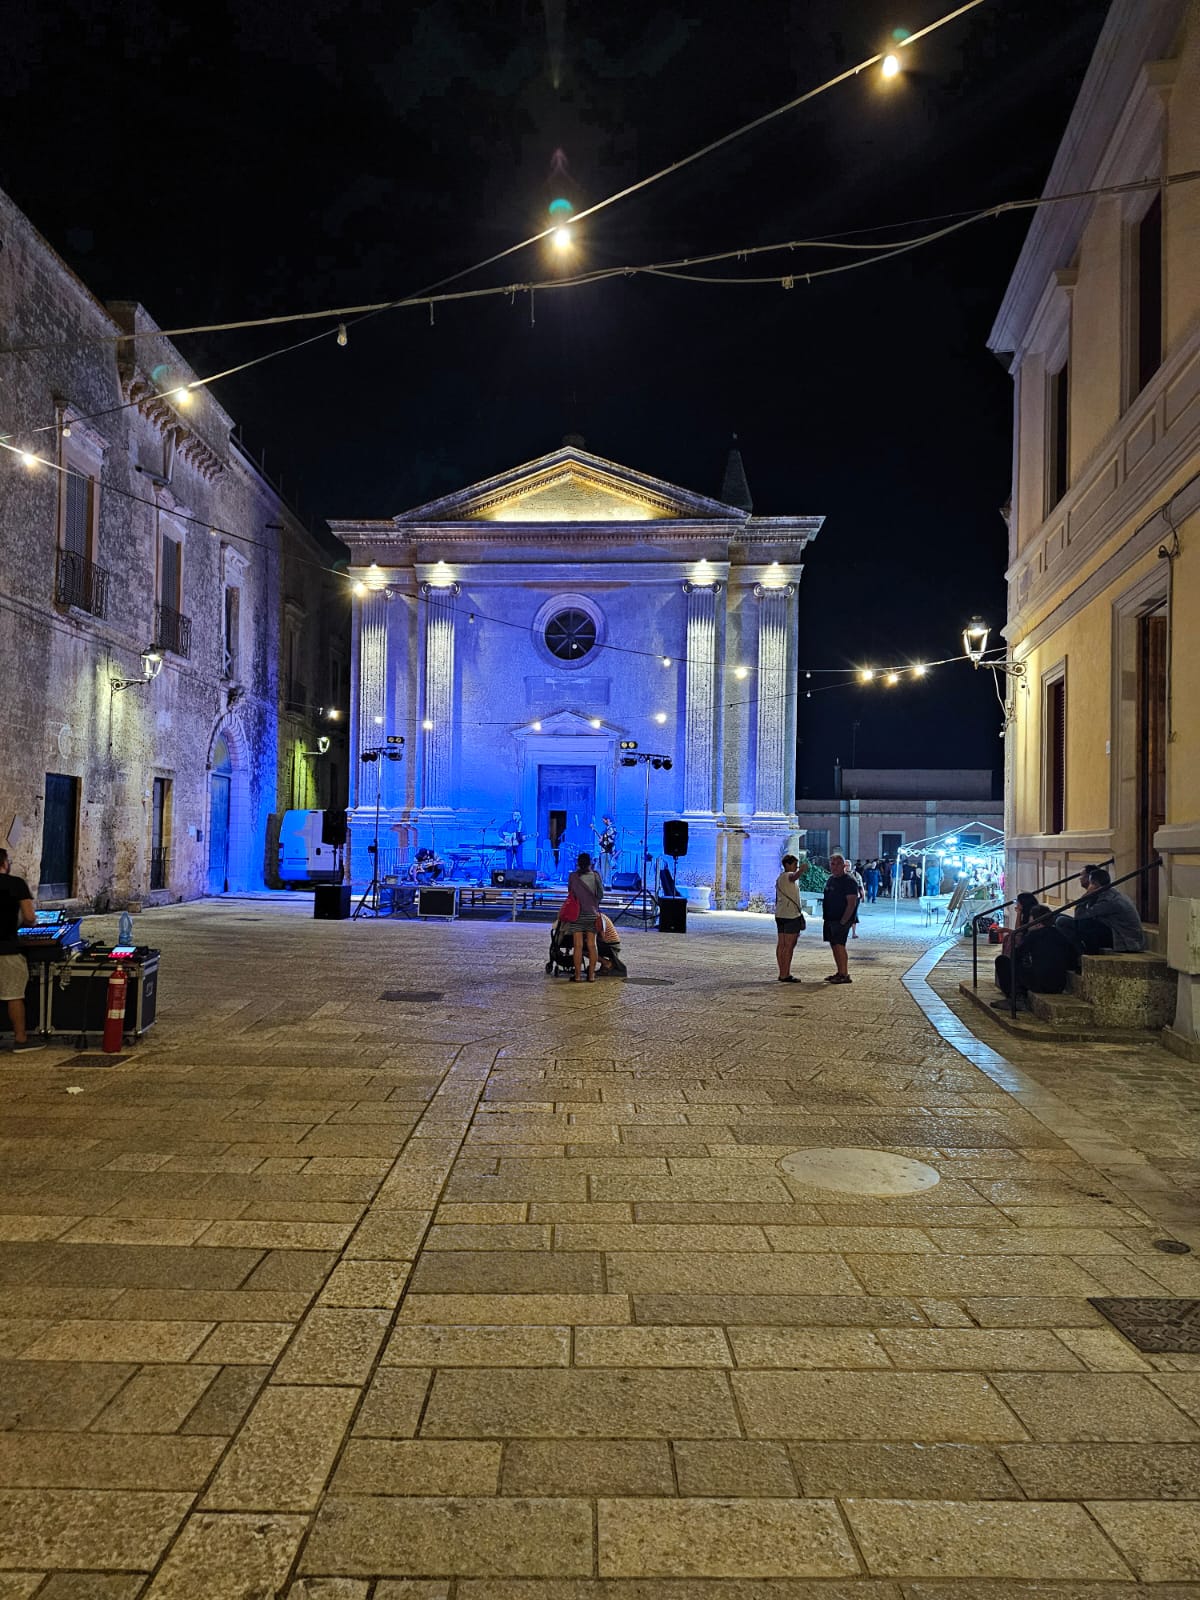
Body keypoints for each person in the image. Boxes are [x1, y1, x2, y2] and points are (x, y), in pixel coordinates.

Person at [0, 850, 41, 1051]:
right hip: (7, 949)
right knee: (13, 995)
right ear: (5, 863)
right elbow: (30, 917)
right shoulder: (15, 884)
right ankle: (21, 1039)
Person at [1055, 866, 1146, 956]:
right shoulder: (1107, 893)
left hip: (1125, 940)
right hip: (1114, 932)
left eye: (1090, 883)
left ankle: (1081, 954)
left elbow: (1079, 916)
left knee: (1065, 922)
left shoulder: (1108, 900)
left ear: (1094, 884)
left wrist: (1086, 896)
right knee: (1057, 917)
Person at [564, 851, 603, 982]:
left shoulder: (573, 877)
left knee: (578, 945)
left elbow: (570, 892)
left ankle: (577, 976)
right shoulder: (596, 876)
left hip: (577, 915)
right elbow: (600, 895)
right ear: (590, 863)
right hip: (592, 914)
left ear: (578, 863)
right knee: (592, 945)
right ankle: (591, 975)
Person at [822, 852, 859, 985]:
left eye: (838, 864)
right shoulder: (831, 879)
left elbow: (851, 902)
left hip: (841, 919)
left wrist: (844, 920)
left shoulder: (849, 881)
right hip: (830, 918)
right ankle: (840, 972)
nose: (835, 867)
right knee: (834, 945)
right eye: (832, 864)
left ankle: (844, 974)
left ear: (844, 866)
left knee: (840, 945)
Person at [774, 853, 805, 983]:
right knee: (789, 945)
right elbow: (794, 876)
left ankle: (782, 972)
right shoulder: (788, 876)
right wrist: (802, 870)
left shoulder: (780, 878)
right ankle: (785, 974)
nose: (796, 867)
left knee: (781, 944)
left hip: (781, 914)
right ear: (787, 865)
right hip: (791, 916)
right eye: (795, 864)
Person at [595, 910, 627, 977]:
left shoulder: (598, 917)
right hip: (611, 943)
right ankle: (605, 965)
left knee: (586, 948)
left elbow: (602, 937)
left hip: (611, 945)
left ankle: (606, 963)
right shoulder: (599, 915)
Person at [847, 861, 866, 937]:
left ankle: (853, 933)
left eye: (848, 865)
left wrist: (863, 895)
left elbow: (861, 886)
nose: (847, 866)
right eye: (846, 865)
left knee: (853, 914)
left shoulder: (856, 874)